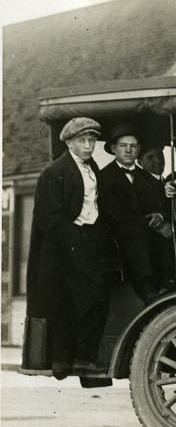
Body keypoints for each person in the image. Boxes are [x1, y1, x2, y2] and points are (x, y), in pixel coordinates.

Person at [26, 117, 109, 379]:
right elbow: (47, 217)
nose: (88, 146)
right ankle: (62, 359)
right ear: (70, 143)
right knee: (67, 301)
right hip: (64, 246)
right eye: (82, 141)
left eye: (92, 140)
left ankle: (83, 357)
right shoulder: (54, 172)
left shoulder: (93, 168)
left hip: (90, 239)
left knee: (94, 297)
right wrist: (75, 239)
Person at [97, 124, 176, 303]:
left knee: (172, 231)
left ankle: (169, 283)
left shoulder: (147, 178)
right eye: (123, 146)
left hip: (146, 230)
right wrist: (152, 223)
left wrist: (160, 216)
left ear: (138, 149)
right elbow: (113, 215)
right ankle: (147, 289)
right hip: (117, 233)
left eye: (133, 146)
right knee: (135, 235)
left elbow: (158, 204)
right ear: (113, 149)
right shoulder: (104, 178)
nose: (128, 150)